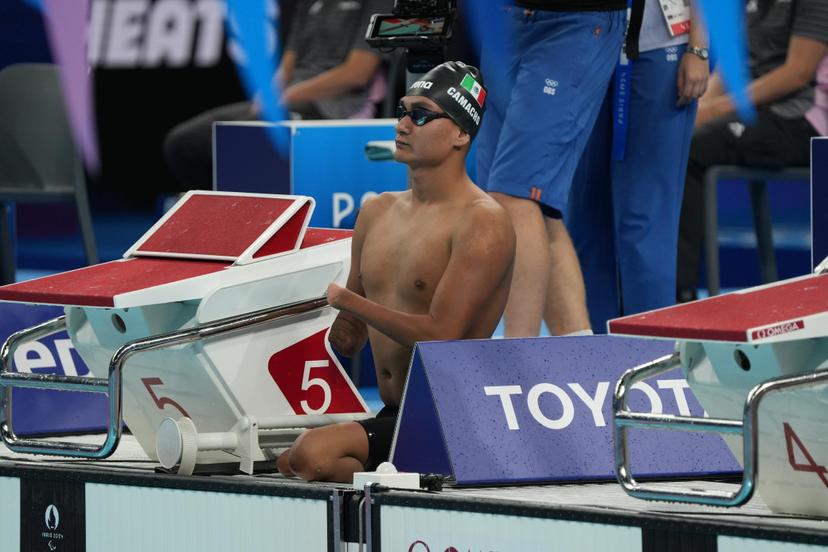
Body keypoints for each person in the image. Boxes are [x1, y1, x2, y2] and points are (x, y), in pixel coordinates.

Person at [277, 61, 516, 482]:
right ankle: (399, 489)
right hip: (392, 411)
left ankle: (415, 489)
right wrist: (294, 309)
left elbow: (441, 336)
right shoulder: (376, 211)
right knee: (280, 456)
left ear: (462, 133)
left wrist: (348, 300)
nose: (403, 124)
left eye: (421, 115)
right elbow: (349, 337)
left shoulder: (482, 221)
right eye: (403, 111)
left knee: (313, 457)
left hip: (448, 412)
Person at [475, 0, 627, 337]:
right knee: (534, 210)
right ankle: (579, 354)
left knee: (514, 196)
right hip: (506, 23)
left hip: (574, 22)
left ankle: (518, 356)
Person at [566, 0, 709, 331]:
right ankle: (591, 356)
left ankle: (650, 354)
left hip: (660, 50)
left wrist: (699, 48)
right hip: (581, 44)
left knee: (644, 219)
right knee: (584, 215)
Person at [676, 0, 828, 302]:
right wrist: (697, 111)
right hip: (756, 113)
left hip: (801, 119)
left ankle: (682, 291)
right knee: (676, 139)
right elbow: (730, 71)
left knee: (693, 148)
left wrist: (714, 112)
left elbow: (797, 73)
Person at [164, 0, 391, 190]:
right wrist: (269, 96)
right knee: (185, 141)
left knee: (237, 140)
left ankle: (248, 219)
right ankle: (215, 211)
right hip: (288, 100)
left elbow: (357, 73)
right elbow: (288, 63)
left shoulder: (377, 2)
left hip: (335, 105)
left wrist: (288, 95)